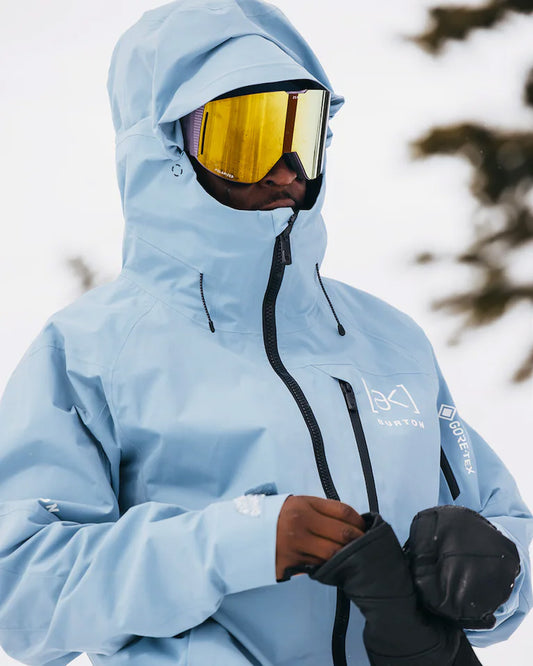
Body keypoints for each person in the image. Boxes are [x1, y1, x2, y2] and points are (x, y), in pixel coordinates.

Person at [0, 1, 530, 665]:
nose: (284, 171)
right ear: (166, 150)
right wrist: (238, 542)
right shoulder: (89, 353)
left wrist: (493, 568)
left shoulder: (389, 341)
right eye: (244, 139)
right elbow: (21, 593)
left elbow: (505, 527)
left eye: (298, 133)